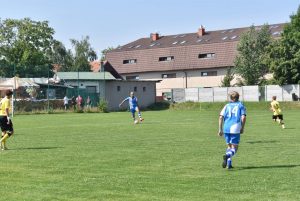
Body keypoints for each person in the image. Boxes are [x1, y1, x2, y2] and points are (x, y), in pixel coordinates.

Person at [218, 91, 246, 169]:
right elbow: (243, 117)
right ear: (238, 97)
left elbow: (220, 117)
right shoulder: (240, 105)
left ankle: (229, 164)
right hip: (235, 127)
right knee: (235, 148)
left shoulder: (226, 106)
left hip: (226, 127)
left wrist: (220, 129)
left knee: (229, 146)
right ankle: (227, 156)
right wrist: (242, 127)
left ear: (230, 98)